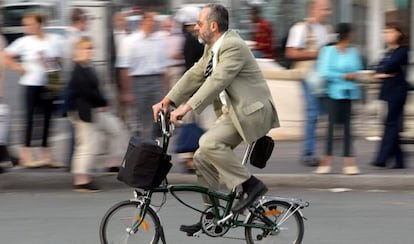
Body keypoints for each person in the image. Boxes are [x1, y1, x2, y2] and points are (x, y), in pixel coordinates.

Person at [152, 4, 279, 235]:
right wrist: (168, 100)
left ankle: (251, 186)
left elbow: (216, 81)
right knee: (201, 157)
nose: (196, 28)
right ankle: (213, 216)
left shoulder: (233, 46)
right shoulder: (212, 49)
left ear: (213, 25)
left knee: (208, 143)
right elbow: (195, 74)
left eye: (199, 24)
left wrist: (185, 108)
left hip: (250, 113)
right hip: (233, 113)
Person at [4, 12, 62, 168]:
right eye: (25, 24)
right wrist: (18, 68)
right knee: (30, 120)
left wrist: (57, 83)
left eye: (30, 24)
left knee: (48, 120)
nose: (26, 27)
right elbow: (5, 55)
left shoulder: (54, 40)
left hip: (49, 83)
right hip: (30, 84)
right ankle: (26, 156)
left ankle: (46, 155)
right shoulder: (24, 41)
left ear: (40, 24)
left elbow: (56, 63)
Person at [285, 0, 332, 166]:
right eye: (325, 9)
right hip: (307, 76)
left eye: (328, 9)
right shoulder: (301, 28)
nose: (328, 12)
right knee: (312, 113)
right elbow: (290, 52)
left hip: (322, 77)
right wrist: (316, 54)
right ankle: (308, 153)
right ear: (314, 9)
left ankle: (322, 152)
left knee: (323, 114)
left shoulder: (326, 30)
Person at [313, 23, 363, 175]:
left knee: (348, 129)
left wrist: (352, 75)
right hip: (332, 93)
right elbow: (324, 71)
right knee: (331, 129)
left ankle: (349, 162)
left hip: (349, 93)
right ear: (346, 34)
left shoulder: (353, 51)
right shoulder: (328, 51)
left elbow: (357, 68)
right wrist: (343, 76)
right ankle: (326, 161)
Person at [117, 11, 169, 139]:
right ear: (143, 22)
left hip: (156, 80)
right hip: (138, 81)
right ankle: (139, 145)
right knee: (139, 117)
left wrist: (166, 91)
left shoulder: (159, 41)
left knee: (156, 115)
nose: (153, 23)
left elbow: (164, 67)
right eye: (151, 20)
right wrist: (126, 91)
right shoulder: (130, 41)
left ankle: (152, 144)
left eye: (155, 21)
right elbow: (124, 67)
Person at [67, 37, 107, 192]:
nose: (88, 52)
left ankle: (83, 176)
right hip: (82, 111)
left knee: (85, 143)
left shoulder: (85, 66)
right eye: (84, 49)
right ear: (77, 51)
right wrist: (101, 102)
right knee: (86, 145)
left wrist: (100, 102)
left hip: (86, 109)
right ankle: (81, 179)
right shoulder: (79, 69)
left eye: (90, 49)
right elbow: (87, 91)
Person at [371, 22, 409, 169]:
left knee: (391, 124)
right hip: (388, 91)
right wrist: (383, 72)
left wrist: (384, 72)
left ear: (398, 33)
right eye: (385, 32)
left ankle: (382, 158)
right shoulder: (388, 52)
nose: (386, 35)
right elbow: (376, 67)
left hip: (398, 92)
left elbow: (388, 66)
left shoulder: (402, 50)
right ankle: (399, 161)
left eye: (390, 31)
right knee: (390, 124)